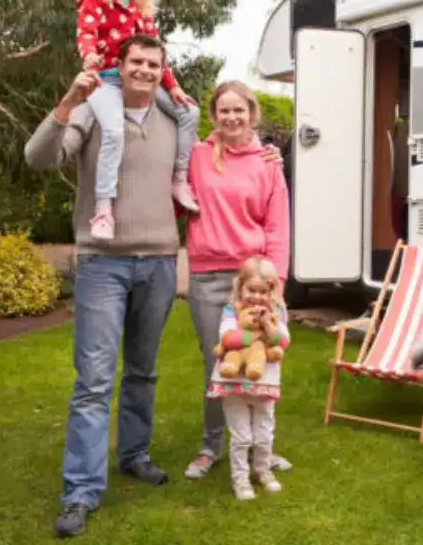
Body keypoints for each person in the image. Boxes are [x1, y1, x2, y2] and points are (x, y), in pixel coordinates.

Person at [23, 35, 282, 539]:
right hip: (102, 263)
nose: (144, 70)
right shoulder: (95, 110)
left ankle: (134, 455)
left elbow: (225, 153)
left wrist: (266, 153)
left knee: (142, 371)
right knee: (94, 380)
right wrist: (68, 101)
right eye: (136, 62)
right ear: (120, 67)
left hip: (161, 262)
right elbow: (39, 158)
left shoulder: (174, 120)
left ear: (162, 70)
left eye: (153, 63)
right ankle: (80, 491)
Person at [182, 80, 295, 480]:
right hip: (209, 276)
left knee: (261, 361)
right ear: (213, 116)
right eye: (224, 110)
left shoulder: (267, 163)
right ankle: (211, 446)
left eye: (239, 110)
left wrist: (276, 281)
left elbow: (278, 226)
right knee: (219, 360)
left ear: (252, 114)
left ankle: (259, 446)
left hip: (256, 280)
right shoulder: (195, 156)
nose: (232, 117)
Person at [74, 0, 200, 241]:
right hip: (108, 80)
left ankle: (180, 180)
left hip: (144, 78)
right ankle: (104, 208)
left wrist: (171, 85)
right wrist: (89, 56)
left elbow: (154, 48)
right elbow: (86, 34)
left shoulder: (139, 4)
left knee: (189, 112)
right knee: (114, 132)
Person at [207, 256, 291, 500]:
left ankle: (262, 470)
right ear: (240, 286)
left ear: (271, 290)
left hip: (264, 382)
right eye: (250, 290)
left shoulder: (275, 313)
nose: (256, 297)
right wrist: (256, 337)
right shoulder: (231, 310)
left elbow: (282, 342)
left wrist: (267, 325)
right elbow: (229, 339)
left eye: (262, 291)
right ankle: (240, 479)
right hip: (234, 383)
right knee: (242, 436)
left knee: (264, 432)